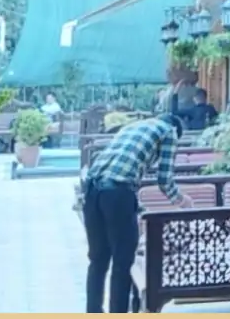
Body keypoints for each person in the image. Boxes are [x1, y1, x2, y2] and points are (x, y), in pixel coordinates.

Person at [82, 113, 192, 313]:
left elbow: (116, 170)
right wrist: (182, 201)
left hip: (91, 190)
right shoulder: (169, 131)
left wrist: (136, 206)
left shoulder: (132, 127)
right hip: (117, 193)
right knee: (123, 261)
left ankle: (93, 311)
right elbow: (164, 180)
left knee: (98, 258)